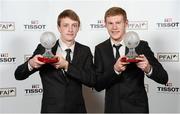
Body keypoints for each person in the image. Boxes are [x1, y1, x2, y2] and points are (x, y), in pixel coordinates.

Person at [14, 9, 96, 113]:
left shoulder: (85, 51)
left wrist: (67, 66)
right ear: (59, 28)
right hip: (51, 110)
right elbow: (18, 75)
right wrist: (31, 63)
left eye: (74, 25)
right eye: (66, 25)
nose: (70, 29)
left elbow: (92, 80)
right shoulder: (44, 48)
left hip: (77, 110)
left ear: (78, 28)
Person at [94, 7, 168, 113]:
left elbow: (164, 78)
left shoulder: (141, 46)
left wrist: (148, 68)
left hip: (137, 109)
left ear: (126, 23)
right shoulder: (100, 49)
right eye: (110, 23)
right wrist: (115, 70)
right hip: (112, 109)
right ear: (105, 24)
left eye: (118, 22)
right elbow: (97, 85)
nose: (114, 27)